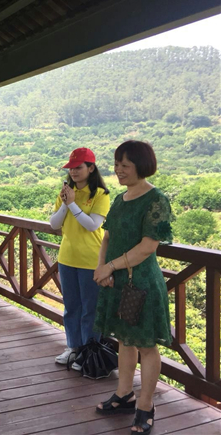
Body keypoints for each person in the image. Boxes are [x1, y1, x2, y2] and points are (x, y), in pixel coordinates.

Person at [93, 140, 173, 435]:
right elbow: (107, 237)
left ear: (142, 166)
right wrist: (101, 268)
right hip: (117, 281)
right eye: (116, 164)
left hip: (141, 284)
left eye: (125, 165)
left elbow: (148, 247)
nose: (118, 170)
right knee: (125, 340)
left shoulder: (156, 200)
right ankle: (124, 394)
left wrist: (110, 267)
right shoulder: (120, 198)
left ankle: (146, 406)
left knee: (146, 346)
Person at [49, 148, 110, 369]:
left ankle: (88, 352)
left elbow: (93, 225)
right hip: (67, 258)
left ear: (91, 168)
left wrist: (73, 204)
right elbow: (54, 224)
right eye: (71, 168)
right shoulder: (66, 193)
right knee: (71, 306)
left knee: (90, 309)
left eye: (78, 167)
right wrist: (66, 203)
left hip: (91, 259)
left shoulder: (101, 195)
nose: (73, 171)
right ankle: (73, 348)